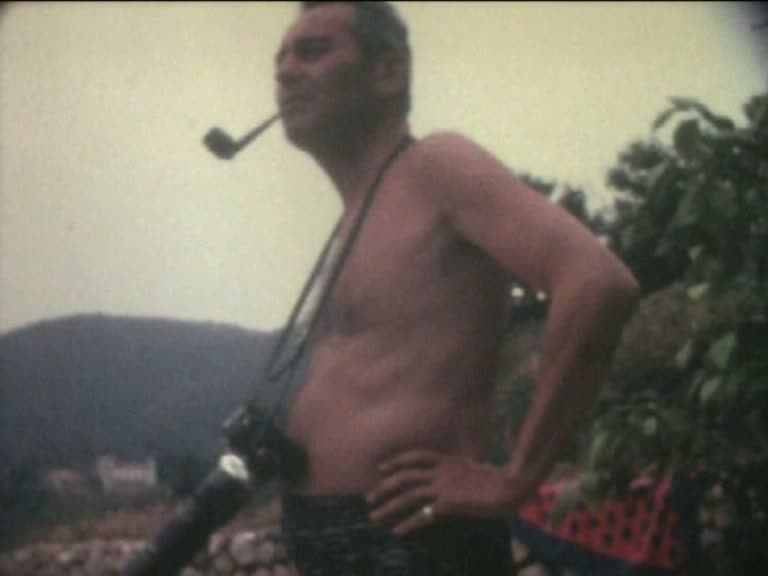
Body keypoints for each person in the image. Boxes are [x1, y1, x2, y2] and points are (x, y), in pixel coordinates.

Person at [273, 2, 640, 575]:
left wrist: (515, 479)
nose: (286, 71)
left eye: (313, 52)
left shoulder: (435, 166)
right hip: (327, 536)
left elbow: (597, 284)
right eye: (280, 60)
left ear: (389, 72)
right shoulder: (354, 217)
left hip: (413, 538)